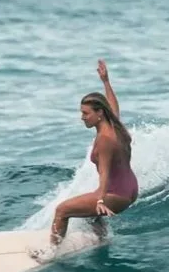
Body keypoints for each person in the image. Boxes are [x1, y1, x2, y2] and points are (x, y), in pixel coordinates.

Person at [50, 60, 138, 243]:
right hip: (130, 188)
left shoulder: (105, 140)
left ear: (99, 114)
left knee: (62, 211)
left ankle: (50, 252)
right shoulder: (114, 125)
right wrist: (106, 82)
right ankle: (101, 238)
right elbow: (114, 105)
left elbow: (104, 174)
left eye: (85, 113)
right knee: (89, 210)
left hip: (116, 194)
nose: (82, 117)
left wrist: (100, 200)